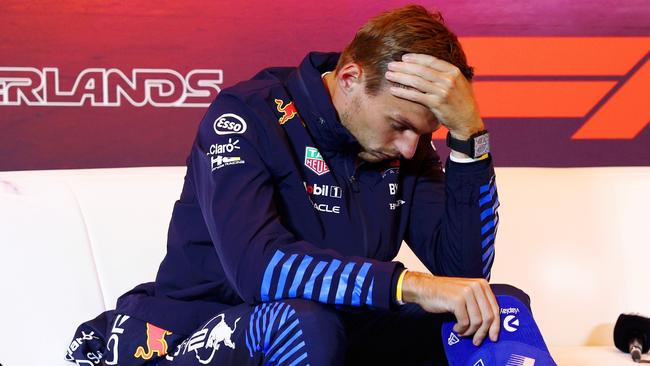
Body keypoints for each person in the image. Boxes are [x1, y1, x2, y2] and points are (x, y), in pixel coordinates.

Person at [65, 5, 504, 366]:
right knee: (305, 326)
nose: (411, 150)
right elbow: (259, 269)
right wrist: (408, 285)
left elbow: (462, 276)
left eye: (424, 135)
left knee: (494, 310)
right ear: (350, 79)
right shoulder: (244, 117)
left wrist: (470, 137)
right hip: (197, 332)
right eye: (399, 125)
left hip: (333, 331)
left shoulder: (402, 146)